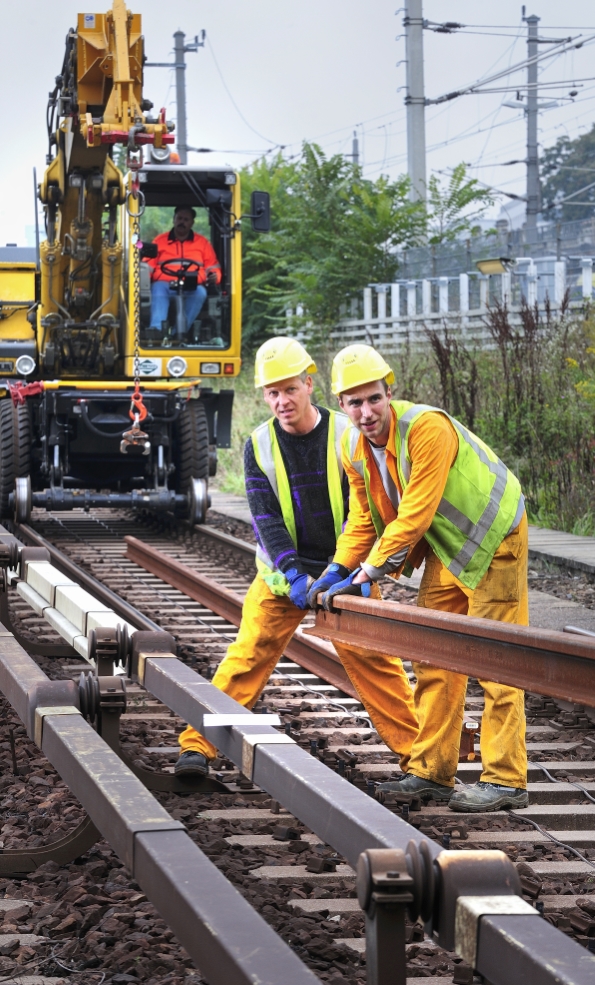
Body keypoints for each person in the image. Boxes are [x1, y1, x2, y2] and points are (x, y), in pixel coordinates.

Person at [175, 337, 418, 776]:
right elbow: (265, 518)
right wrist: (293, 573)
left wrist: (351, 571)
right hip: (284, 575)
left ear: (309, 384)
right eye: (272, 392)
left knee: (378, 666)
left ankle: (420, 760)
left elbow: (367, 509)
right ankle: (197, 746)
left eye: (290, 389)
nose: (282, 401)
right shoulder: (260, 444)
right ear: (263, 395)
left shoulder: (348, 434)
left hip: (346, 572)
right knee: (248, 654)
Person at [308, 343, 528, 813]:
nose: (365, 412)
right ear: (340, 405)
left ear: (390, 393)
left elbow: (413, 515)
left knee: (496, 659)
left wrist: (367, 571)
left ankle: (507, 780)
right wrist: (336, 568)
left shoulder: (427, 428)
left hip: (496, 535)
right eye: (354, 402)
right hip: (451, 547)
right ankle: (431, 772)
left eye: (373, 399)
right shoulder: (351, 445)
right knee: (435, 656)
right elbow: (364, 517)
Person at [145, 206, 221, 336]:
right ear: (174, 220)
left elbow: (212, 266)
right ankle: (157, 331)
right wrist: (143, 280)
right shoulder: (160, 241)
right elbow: (148, 265)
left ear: (192, 223)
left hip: (192, 285)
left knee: (201, 292)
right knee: (157, 288)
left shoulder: (202, 243)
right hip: (165, 284)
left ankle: (178, 334)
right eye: (179, 218)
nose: (182, 222)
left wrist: (215, 276)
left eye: (186, 219)